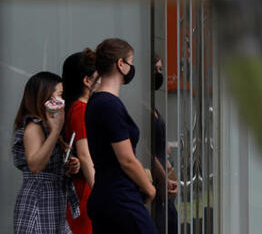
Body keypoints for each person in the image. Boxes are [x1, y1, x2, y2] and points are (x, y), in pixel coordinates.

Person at [85, 38, 156, 234]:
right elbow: (126, 159)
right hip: (120, 197)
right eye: (130, 62)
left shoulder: (96, 101)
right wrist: (149, 189)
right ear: (121, 64)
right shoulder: (109, 104)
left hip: (105, 195)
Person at [12, 71, 81, 234]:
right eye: (60, 95)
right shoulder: (33, 126)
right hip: (39, 202)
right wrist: (56, 130)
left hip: (53, 202)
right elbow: (35, 166)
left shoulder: (46, 126)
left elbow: (49, 163)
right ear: (46, 98)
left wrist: (70, 166)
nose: (63, 100)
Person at [61, 49, 98, 234]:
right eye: (98, 76)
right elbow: (84, 155)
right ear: (87, 80)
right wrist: (100, 191)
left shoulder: (82, 108)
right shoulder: (80, 109)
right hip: (85, 190)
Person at [151, 53, 178, 234]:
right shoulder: (141, 105)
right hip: (155, 179)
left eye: (161, 70)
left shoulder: (152, 106)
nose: (159, 75)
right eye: (156, 70)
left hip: (163, 173)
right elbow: (148, 150)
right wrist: (163, 177)